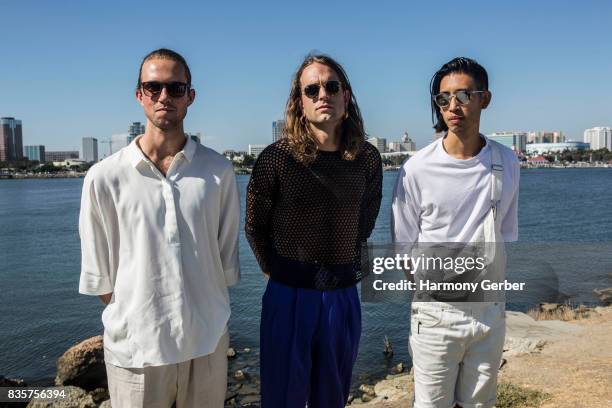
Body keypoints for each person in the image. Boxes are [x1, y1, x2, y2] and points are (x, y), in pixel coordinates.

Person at [78, 48, 240, 408]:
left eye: (175, 87)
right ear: (139, 95)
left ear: (190, 96)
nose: (164, 96)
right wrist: (140, 318)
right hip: (135, 353)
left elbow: (223, 260)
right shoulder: (104, 178)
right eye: (153, 87)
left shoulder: (219, 173)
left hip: (207, 344)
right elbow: (101, 277)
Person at [245, 53, 382, 408]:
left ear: (346, 96)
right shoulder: (277, 159)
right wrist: (275, 270)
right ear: (298, 102)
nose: (323, 94)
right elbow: (255, 225)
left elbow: (364, 224)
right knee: (282, 399)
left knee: (333, 396)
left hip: (342, 294)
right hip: (288, 294)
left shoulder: (366, 159)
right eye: (312, 88)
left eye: (331, 86)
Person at [391, 57, 520, 408]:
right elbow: (404, 248)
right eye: (443, 98)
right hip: (436, 316)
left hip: (489, 311)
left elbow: (502, 234)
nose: (452, 106)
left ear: (485, 99)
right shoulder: (416, 169)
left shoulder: (506, 162)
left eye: (463, 95)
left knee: (482, 403)